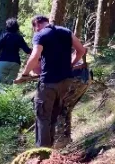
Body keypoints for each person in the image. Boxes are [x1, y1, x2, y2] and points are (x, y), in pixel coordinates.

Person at [18, 15, 87, 148]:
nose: (35, 31)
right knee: (54, 116)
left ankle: (42, 153)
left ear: (36, 25)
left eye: (35, 29)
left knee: (43, 116)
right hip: (65, 82)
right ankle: (50, 150)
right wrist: (71, 65)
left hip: (48, 82)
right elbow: (81, 50)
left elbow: (34, 56)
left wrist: (25, 73)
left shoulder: (40, 35)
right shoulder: (66, 32)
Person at [0, 18, 32, 84]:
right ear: (17, 27)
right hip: (15, 63)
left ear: (7, 26)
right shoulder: (19, 37)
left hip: (3, 62)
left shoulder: (3, 36)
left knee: (0, 85)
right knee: (10, 84)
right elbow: (27, 50)